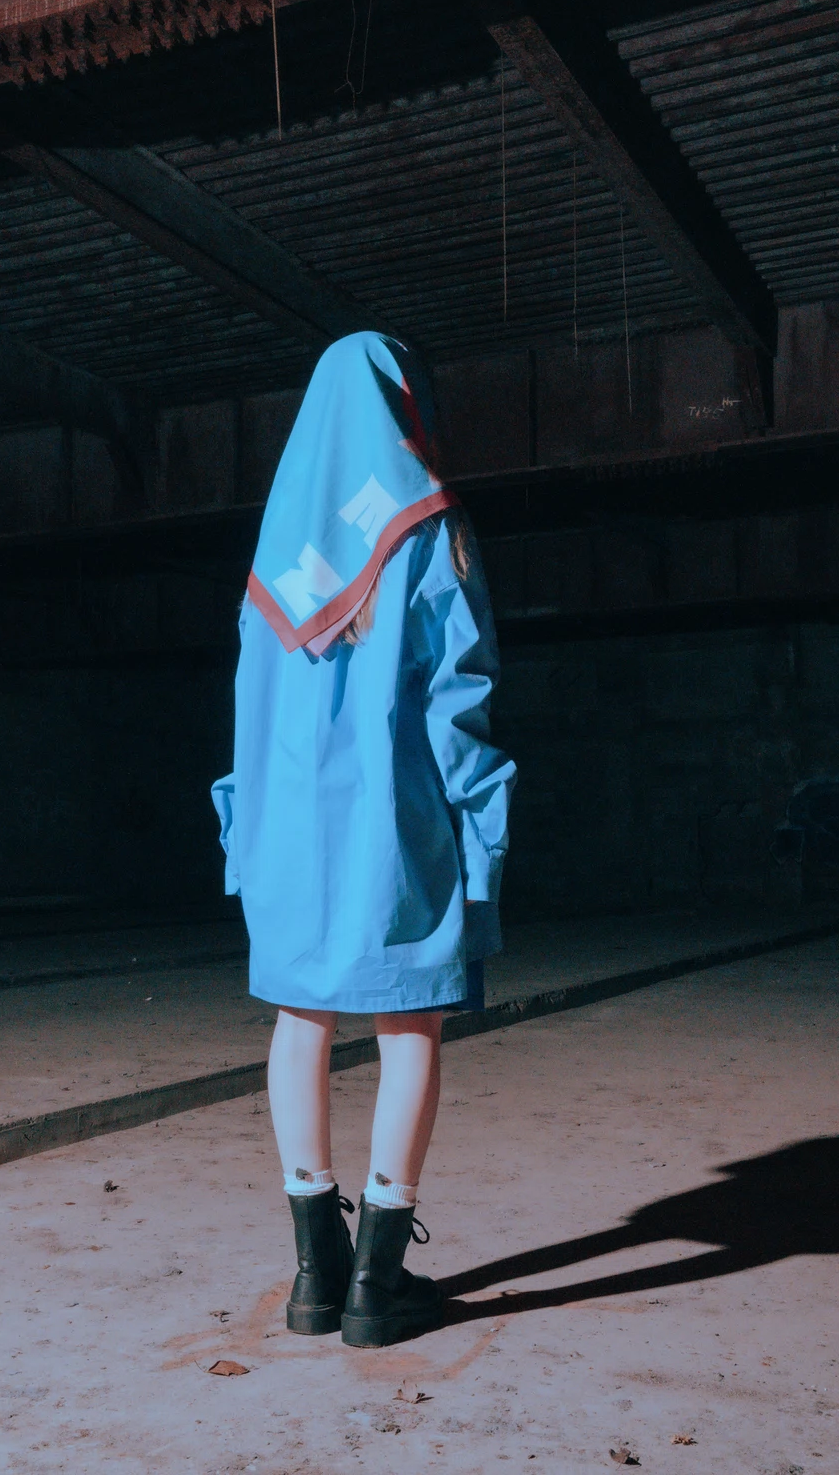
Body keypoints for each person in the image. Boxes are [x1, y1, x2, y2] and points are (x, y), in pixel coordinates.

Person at [212, 331, 515, 1348]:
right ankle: (377, 1287)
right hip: (394, 823)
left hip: (288, 828)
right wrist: (481, 837)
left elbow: (248, 711)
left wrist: (244, 835)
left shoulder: (273, 556)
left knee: (299, 1020)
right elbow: (457, 702)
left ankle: (316, 1274)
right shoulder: (427, 524)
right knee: (408, 1027)